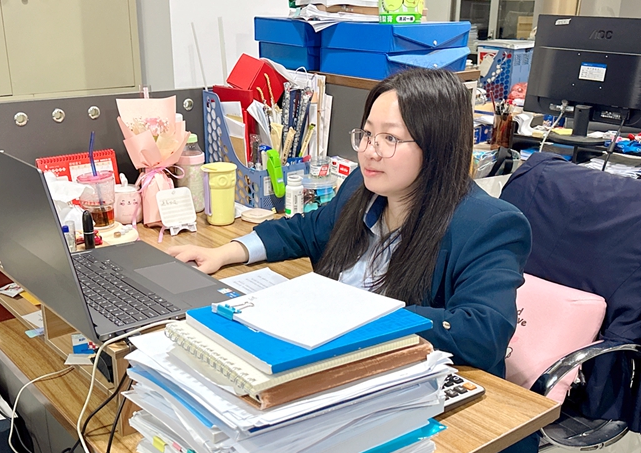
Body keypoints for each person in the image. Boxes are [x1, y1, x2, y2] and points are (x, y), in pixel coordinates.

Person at [169, 68, 531, 379]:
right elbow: (305, 229)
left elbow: (483, 332)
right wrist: (226, 252)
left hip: (411, 385)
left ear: (437, 147)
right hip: (333, 361)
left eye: (390, 138)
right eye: (367, 134)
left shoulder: (489, 225)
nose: (369, 151)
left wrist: (365, 314)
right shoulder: (364, 187)